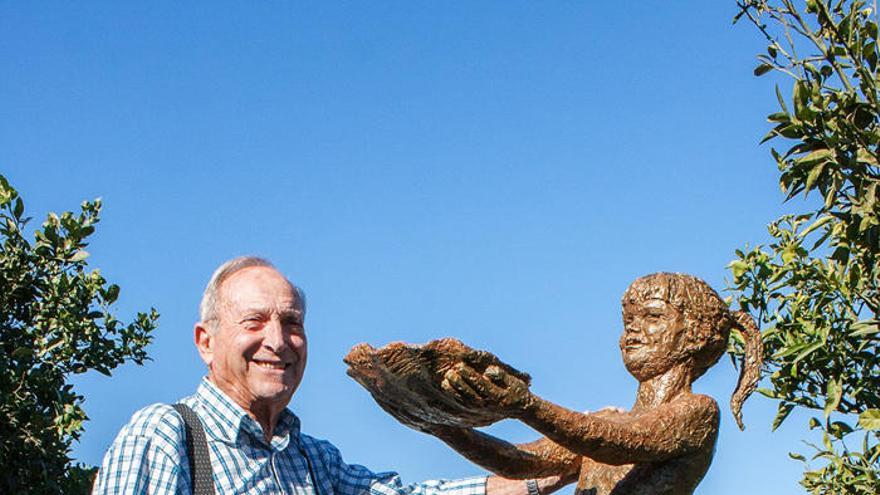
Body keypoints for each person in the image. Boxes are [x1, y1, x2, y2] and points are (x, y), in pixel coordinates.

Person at [92, 256, 571, 495]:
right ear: (206, 341)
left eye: (292, 322)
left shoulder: (311, 462)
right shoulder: (163, 435)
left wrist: (552, 466)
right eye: (254, 322)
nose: (277, 341)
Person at [420, 273, 763, 495]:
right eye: (628, 320)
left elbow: (622, 443)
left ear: (696, 335)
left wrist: (526, 405)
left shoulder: (697, 410)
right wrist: (439, 424)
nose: (632, 330)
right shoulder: (605, 422)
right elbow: (520, 461)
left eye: (653, 317)